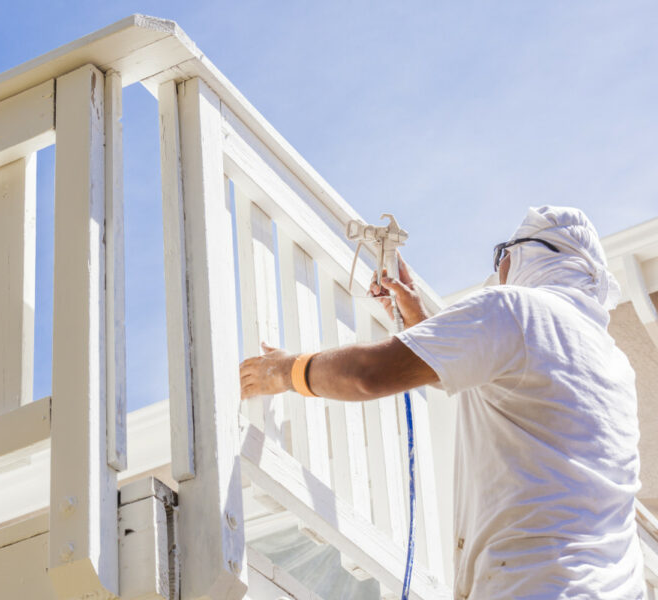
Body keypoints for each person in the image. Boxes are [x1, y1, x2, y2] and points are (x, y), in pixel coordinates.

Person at [239, 206, 645, 599]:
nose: (497, 269)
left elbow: (368, 373)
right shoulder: (613, 365)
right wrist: (420, 321)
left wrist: (288, 370)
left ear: (522, 256)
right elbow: (501, 384)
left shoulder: (517, 309)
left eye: (501, 254)